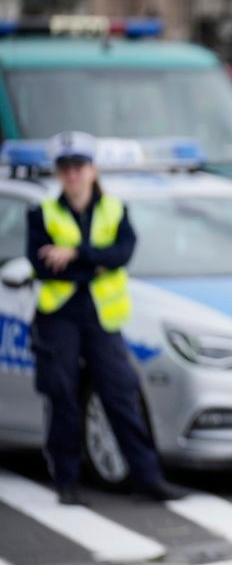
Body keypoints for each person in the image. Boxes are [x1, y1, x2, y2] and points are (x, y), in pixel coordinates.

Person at [27, 131, 188, 506]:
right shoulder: (42, 213)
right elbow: (42, 265)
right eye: (65, 168)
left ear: (93, 169)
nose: (73, 174)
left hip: (102, 317)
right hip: (59, 316)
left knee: (121, 394)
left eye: (79, 166)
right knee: (63, 396)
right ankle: (67, 481)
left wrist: (74, 254)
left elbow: (122, 254)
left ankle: (147, 478)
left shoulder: (114, 209)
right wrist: (96, 262)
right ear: (58, 173)